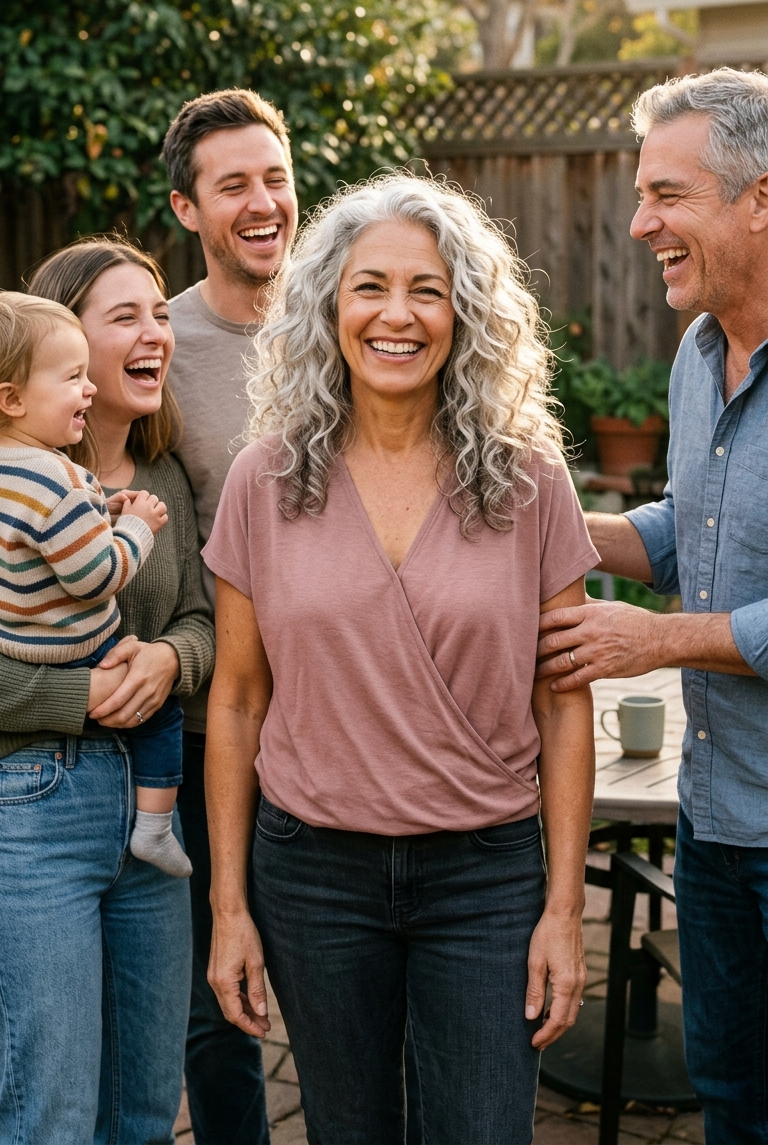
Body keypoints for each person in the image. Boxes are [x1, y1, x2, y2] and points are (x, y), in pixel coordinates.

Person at [203, 174, 598, 1145]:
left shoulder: (528, 476)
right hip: (312, 875)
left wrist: (563, 908)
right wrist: (228, 904)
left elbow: (563, 702)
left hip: (485, 876)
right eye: (370, 286)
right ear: (327, 305)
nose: (397, 314)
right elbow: (239, 701)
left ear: (466, 315)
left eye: (428, 290)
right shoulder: (265, 477)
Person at [536, 68, 768, 1144]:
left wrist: (656, 639)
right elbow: (692, 529)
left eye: (667, 195)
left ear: (759, 197)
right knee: (732, 1096)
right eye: (641, 197)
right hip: (715, 820)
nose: (640, 225)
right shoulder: (698, 353)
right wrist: (546, 525)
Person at [0, 237, 214, 1142]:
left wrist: (169, 661)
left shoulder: (165, 479)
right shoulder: (15, 485)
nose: (155, 333)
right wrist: (76, 697)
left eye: (160, 313)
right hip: (36, 800)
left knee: (144, 1106)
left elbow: (201, 619)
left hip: (152, 807)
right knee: (51, 1109)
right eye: (125, 317)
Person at [163, 88, 298, 1145]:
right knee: (220, 1004)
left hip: (350, 711)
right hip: (217, 715)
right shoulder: (158, 346)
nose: (262, 203)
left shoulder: (353, 316)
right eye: (233, 185)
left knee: (360, 985)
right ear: (187, 208)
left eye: (275, 177)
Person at [0, 291, 192, 879]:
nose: (87, 389)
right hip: (80, 656)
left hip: (21, 645)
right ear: (13, 399)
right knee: (162, 719)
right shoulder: (55, 477)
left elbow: (35, 542)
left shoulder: (14, 474)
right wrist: (136, 529)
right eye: (73, 377)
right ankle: (155, 826)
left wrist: (98, 513)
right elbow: (96, 577)